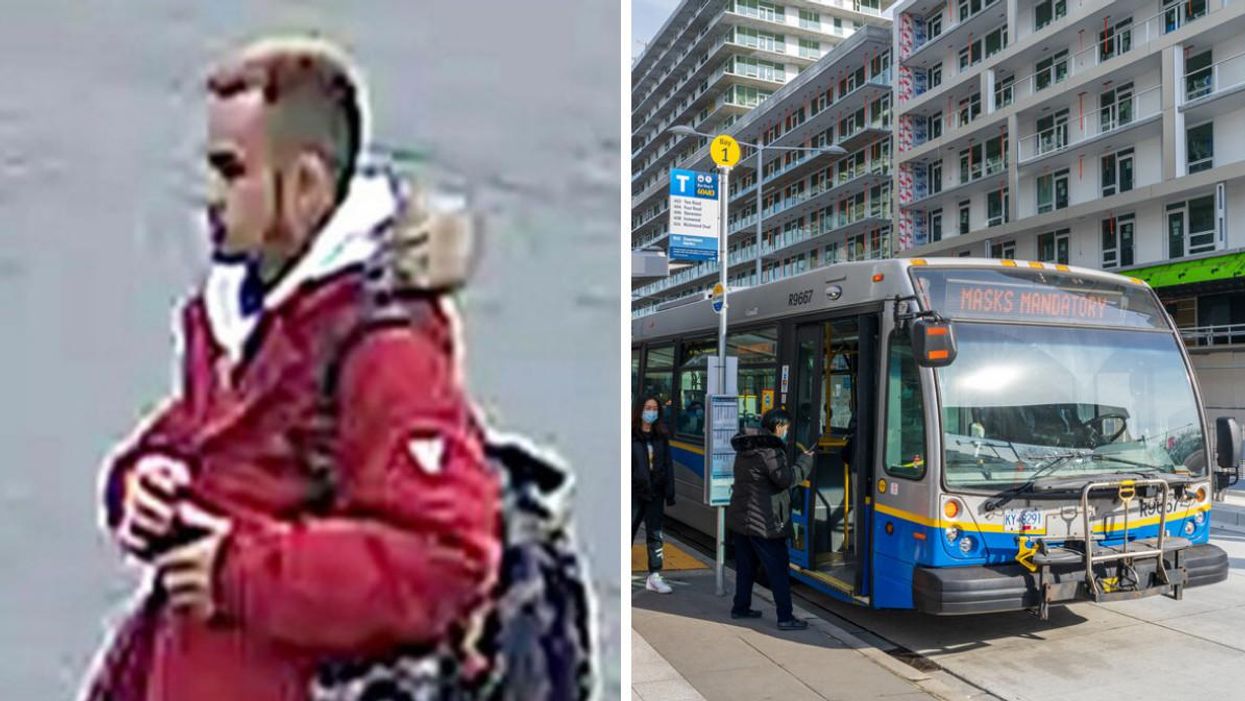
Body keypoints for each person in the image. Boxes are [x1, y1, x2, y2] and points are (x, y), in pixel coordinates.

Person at [82, 37, 502, 701]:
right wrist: (140, 483)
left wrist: (241, 570)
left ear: (304, 183)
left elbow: (449, 560)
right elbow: (191, 436)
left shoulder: (384, 352)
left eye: (230, 171)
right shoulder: (238, 318)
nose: (208, 196)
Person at [725, 407, 814, 630]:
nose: (787, 432)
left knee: (746, 567)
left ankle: (741, 607)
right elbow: (785, 479)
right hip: (765, 522)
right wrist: (805, 462)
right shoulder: (771, 452)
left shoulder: (746, 448)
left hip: (742, 519)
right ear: (778, 427)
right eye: (786, 428)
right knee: (778, 571)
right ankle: (785, 617)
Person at [631, 396, 675, 594]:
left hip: (655, 492)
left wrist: (669, 491)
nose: (651, 412)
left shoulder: (661, 436)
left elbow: (668, 465)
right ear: (640, 410)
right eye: (648, 408)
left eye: (655, 408)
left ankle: (654, 576)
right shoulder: (629, 435)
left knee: (655, 534)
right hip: (633, 492)